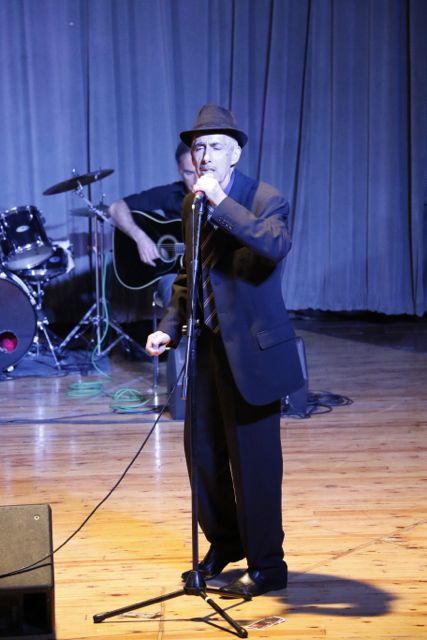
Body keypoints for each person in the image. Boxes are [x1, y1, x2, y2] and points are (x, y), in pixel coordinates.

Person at [146, 104, 304, 597]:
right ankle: (226, 542)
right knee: (203, 454)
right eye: (199, 147)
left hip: (253, 352)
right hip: (207, 347)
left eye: (216, 146)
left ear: (235, 153)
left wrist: (220, 201)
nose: (206, 155)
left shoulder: (265, 198)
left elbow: (273, 246)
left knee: (254, 463)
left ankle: (268, 564)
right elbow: (189, 274)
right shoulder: (191, 205)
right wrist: (169, 327)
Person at [108, 141, 196, 305]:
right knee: (176, 292)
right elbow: (115, 208)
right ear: (180, 170)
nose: (197, 179)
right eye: (190, 173)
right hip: (175, 276)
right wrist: (141, 238)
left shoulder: (225, 199)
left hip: (212, 274)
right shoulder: (170, 194)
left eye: (202, 171)